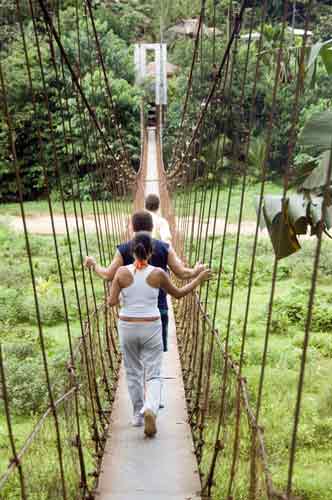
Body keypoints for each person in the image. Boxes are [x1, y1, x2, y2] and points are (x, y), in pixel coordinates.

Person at [108, 232, 211, 437]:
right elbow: (179, 294)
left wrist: (122, 295)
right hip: (151, 326)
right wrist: (198, 278)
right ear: (151, 252)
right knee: (153, 372)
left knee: (133, 371)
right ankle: (151, 408)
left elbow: (111, 302)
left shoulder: (120, 273)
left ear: (132, 251)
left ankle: (138, 415)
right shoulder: (158, 273)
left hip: (127, 325)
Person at [84, 211, 206, 353]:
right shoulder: (164, 248)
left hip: (131, 318)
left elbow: (108, 275)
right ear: (152, 226)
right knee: (155, 359)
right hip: (158, 312)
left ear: (132, 227)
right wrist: (196, 272)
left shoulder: (123, 249)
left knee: (135, 361)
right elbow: (182, 274)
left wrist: (94, 265)